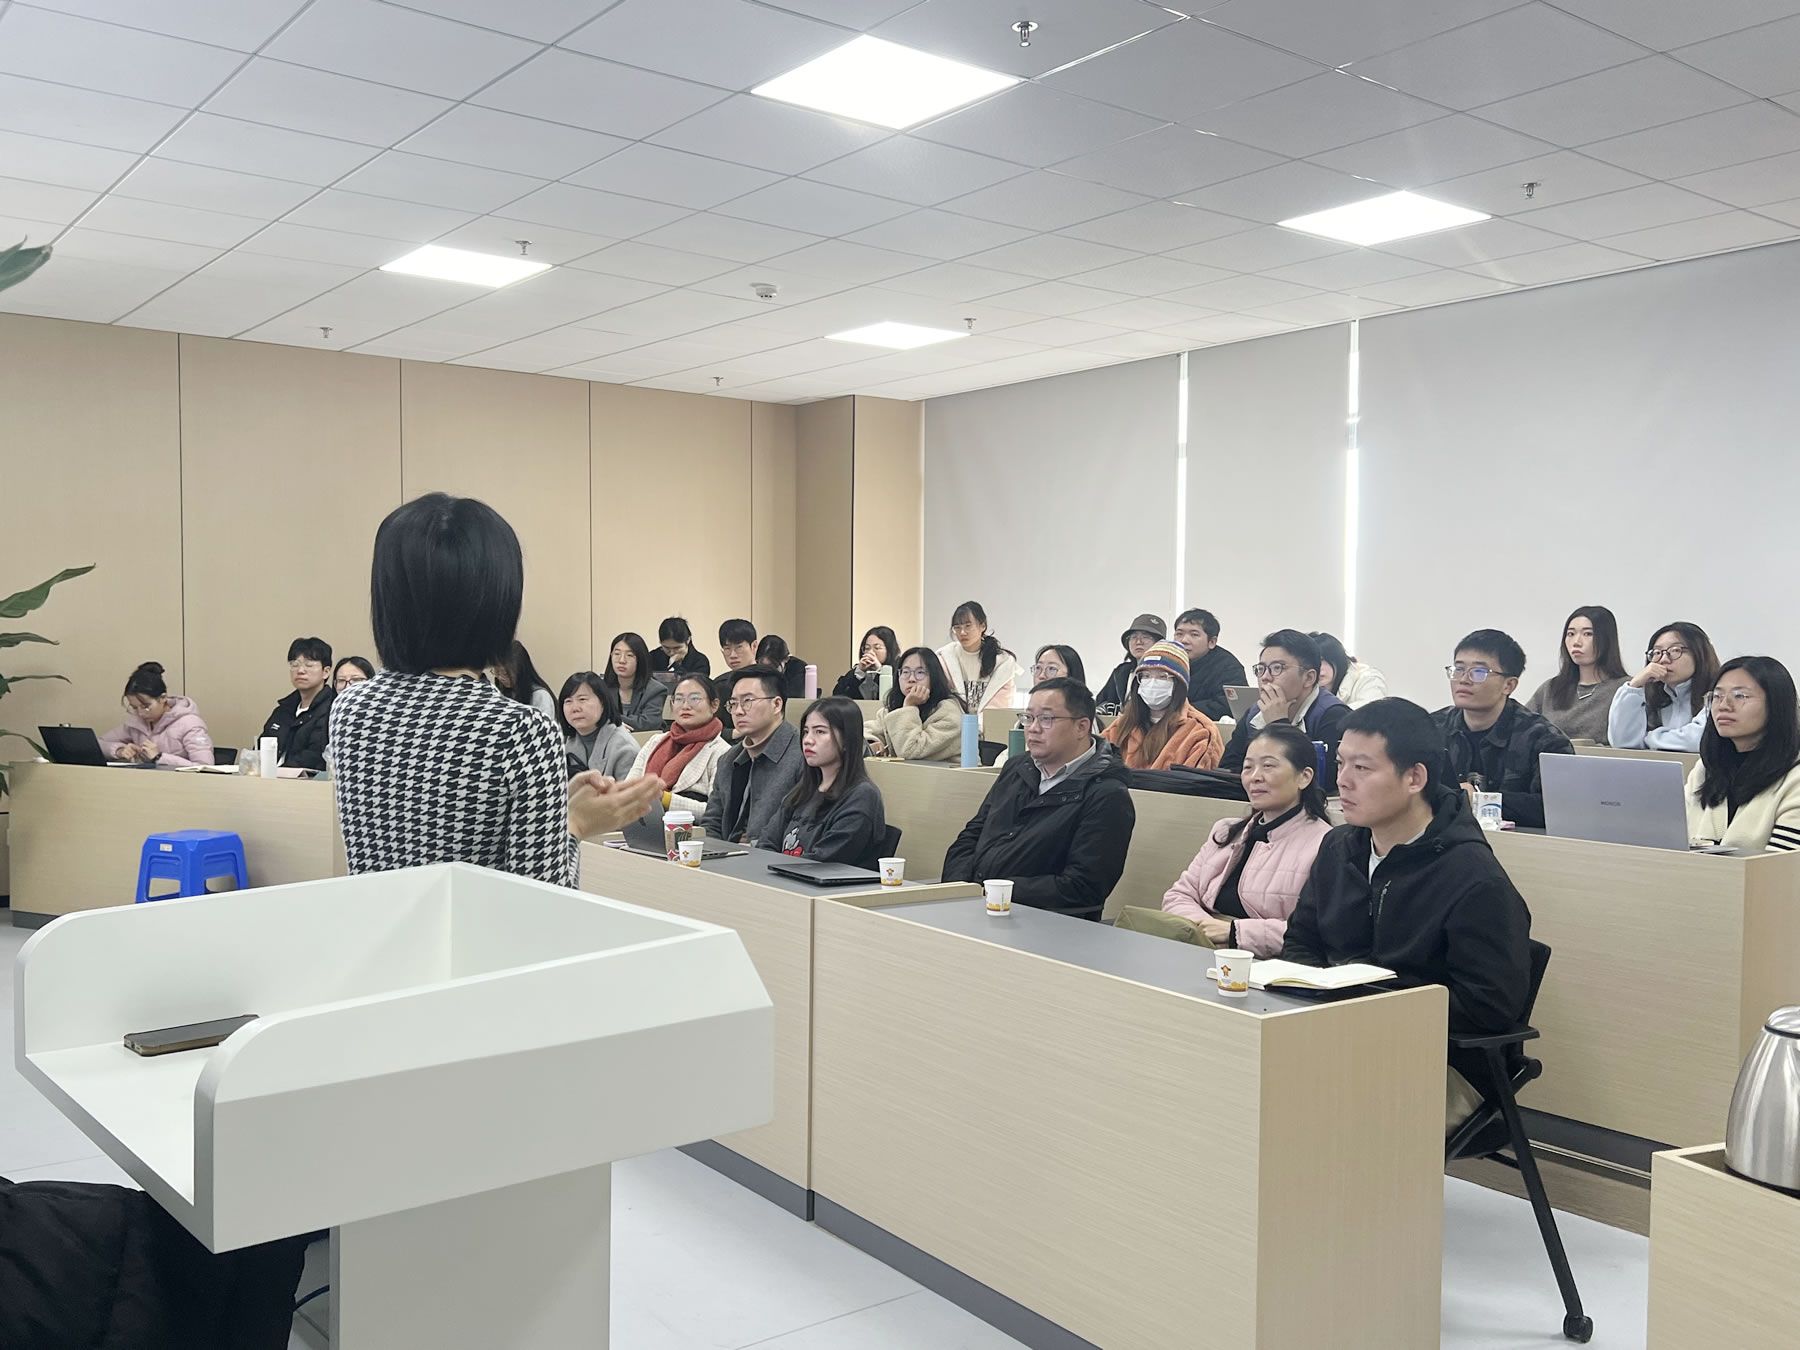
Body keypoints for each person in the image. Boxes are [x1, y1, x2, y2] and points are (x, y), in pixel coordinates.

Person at [329, 493, 660, 882]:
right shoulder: (520, 729)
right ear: (498, 601)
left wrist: (550, 809)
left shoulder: (350, 708)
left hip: (377, 920)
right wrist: (573, 824)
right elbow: (540, 898)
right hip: (472, 925)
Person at [1281, 698, 1532, 1135]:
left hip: (1443, 1062)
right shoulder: (1340, 848)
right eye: (1340, 764)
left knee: (1297, 1104)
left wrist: (1366, 1000)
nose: (1342, 781)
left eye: (1362, 768)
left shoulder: (1473, 878)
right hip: (1341, 1036)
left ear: (1415, 777)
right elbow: (1301, 942)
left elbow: (1488, 1007)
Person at [942, 678, 1136, 920]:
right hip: (980, 906)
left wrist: (993, 892)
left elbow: (1084, 886)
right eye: (1028, 717)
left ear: (1081, 727)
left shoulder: (1107, 794)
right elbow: (972, 835)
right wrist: (959, 888)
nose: (1033, 728)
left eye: (1046, 719)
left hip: (1045, 923)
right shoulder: (1017, 768)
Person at [1159, 723, 1333, 954]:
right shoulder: (1225, 831)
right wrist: (1205, 928)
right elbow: (1178, 895)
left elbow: (1318, 931)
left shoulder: (1325, 844)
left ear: (1304, 777)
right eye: (1248, 767)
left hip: (1269, 965)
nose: (1255, 777)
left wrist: (1234, 933)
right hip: (1202, 951)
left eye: (1268, 766)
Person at [1433, 629, 1574, 829]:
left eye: (1478, 672)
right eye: (1458, 669)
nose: (1463, 679)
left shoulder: (1544, 740)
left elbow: (1558, 808)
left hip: (1518, 845)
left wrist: (1480, 800)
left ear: (1509, 685)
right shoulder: (1432, 729)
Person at [1686, 656, 1800, 854]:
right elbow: (1674, 838)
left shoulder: (1794, 776)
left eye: (1740, 696)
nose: (1723, 705)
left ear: (1776, 704)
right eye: (1717, 696)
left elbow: (1782, 864)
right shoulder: (1706, 768)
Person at [1219, 630, 1350, 792]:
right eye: (1261, 669)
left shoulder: (1333, 715)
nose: (1265, 677)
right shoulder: (1255, 713)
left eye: (1277, 668)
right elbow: (1227, 770)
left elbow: (1319, 784)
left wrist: (1278, 724)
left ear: (1309, 678)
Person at [770, 697, 887, 868]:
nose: (808, 740)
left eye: (820, 732)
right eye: (806, 731)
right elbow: (767, 842)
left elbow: (822, 862)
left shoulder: (862, 796)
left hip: (817, 883)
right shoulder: (804, 790)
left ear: (846, 740)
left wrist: (773, 867)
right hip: (781, 879)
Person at [700, 666, 806, 848]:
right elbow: (712, 823)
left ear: (777, 704)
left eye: (747, 701)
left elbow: (802, 829)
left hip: (774, 858)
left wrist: (754, 848)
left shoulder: (803, 757)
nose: (738, 711)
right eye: (733, 703)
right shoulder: (728, 760)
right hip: (728, 857)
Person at [1101, 640, 1224, 770]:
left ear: (1179, 684)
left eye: (1162, 676)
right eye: (1146, 676)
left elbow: (1193, 779)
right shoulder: (1121, 725)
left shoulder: (1199, 731)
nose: (1152, 682)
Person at [628, 672, 730, 816]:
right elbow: (630, 788)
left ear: (714, 705)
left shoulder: (721, 751)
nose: (685, 706)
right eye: (679, 699)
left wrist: (665, 799)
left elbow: (717, 812)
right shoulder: (655, 741)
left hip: (690, 828)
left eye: (695, 699)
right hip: (645, 822)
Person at [1609, 621, 1718, 752]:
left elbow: (1697, 740)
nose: (1663, 659)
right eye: (1657, 652)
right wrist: (1634, 686)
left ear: (1699, 654)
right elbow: (1622, 743)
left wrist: (1647, 739)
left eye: (1675, 650)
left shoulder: (1719, 693)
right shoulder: (1652, 697)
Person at [1525, 606, 1629, 743]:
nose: (1576, 642)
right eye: (1571, 634)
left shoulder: (1625, 689)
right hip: (1551, 756)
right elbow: (1521, 728)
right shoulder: (1551, 688)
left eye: (1588, 634)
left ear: (1606, 639)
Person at [99, 661, 214, 767]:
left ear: (163, 698)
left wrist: (159, 757)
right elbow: (99, 743)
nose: (140, 713)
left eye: (146, 706)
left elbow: (205, 767)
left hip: (180, 782)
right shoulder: (136, 723)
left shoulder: (189, 724)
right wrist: (119, 750)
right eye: (134, 708)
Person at [867, 646, 963, 762]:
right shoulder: (892, 708)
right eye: (905, 672)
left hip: (943, 773)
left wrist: (909, 706)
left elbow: (910, 750)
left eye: (920, 672)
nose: (911, 679)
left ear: (934, 677)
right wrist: (872, 743)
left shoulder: (949, 711)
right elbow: (868, 731)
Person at [261, 636, 335, 772]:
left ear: (326, 672)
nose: (300, 670)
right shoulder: (283, 710)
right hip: (268, 780)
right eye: (295, 664)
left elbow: (314, 756)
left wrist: (277, 772)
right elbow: (261, 747)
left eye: (309, 665)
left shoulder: (332, 709)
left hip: (304, 782)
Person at [936, 600, 1020, 713]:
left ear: (982, 626)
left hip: (990, 722)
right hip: (954, 721)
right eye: (957, 627)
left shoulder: (1001, 662)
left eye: (968, 626)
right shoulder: (945, 657)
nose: (962, 632)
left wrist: (979, 722)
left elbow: (1002, 704)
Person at [558, 671, 637, 780]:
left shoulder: (624, 748)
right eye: (568, 701)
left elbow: (631, 790)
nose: (575, 708)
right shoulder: (562, 742)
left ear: (603, 703)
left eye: (582, 699)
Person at [1172, 608, 1247, 721]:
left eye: (1194, 635)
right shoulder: (1167, 660)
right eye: (1179, 634)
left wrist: (1179, 711)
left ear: (1212, 642)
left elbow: (1229, 706)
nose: (1184, 640)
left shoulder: (1229, 667)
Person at [1095, 613, 1166, 716]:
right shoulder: (1121, 672)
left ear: (1159, 643)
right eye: (1133, 637)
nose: (1138, 641)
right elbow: (1102, 701)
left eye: (1145, 637)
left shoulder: (1166, 674)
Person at [603, 631, 670, 732]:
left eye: (629, 655)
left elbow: (648, 723)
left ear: (640, 659)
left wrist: (613, 721)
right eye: (617, 654)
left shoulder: (655, 690)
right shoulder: (602, 688)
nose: (621, 660)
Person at [1310, 632, 1388, 710]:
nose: (1316, 668)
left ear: (1337, 659)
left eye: (1321, 660)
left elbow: (1370, 710)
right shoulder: (1310, 687)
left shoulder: (1368, 678)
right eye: (1309, 663)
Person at [493, 639, 555, 721]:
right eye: (497, 672)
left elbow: (544, 726)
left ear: (520, 670)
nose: (500, 677)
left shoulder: (540, 696)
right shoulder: (501, 692)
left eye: (505, 673)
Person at [832, 625, 900, 700]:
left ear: (890, 650)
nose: (870, 652)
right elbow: (837, 697)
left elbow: (893, 695)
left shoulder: (899, 670)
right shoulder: (857, 672)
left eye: (877, 648)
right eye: (867, 648)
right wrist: (859, 673)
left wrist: (880, 671)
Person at [650, 616, 711, 680]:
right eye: (666, 648)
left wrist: (675, 665)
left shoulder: (700, 662)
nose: (671, 652)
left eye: (677, 648)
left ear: (688, 640)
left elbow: (696, 683)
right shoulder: (652, 657)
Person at [756, 632, 809, 699]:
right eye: (762, 666)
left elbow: (793, 699)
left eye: (772, 666)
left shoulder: (799, 669)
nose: (766, 671)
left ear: (786, 659)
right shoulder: (755, 669)